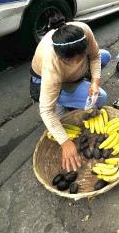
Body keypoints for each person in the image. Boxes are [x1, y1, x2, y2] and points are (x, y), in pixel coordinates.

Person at [30, 18, 111, 171]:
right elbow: (46, 110)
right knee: (101, 98)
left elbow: (95, 56)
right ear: (61, 57)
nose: (76, 63)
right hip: (49, 83)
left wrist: (95, 81)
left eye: (80, 58)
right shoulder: (51, 65)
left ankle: (79, 86)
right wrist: (66, 143)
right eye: (70, 61)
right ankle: (61, 102)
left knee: (105, 55)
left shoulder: (84, 31)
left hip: (72, 76)